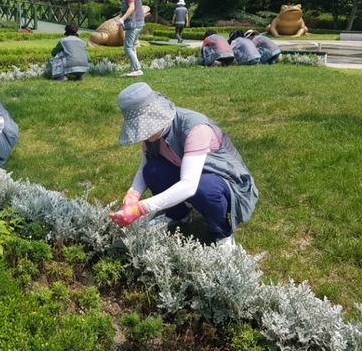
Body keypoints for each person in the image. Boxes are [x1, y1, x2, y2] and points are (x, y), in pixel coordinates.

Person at [109, 83, 259, 247]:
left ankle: (221, 233)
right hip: (189, 173)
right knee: (152, 170)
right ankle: (177, 215)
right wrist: (133, 194)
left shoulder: (195, 128)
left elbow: (189, 185)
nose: (141, 134)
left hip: (226, 181)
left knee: (204, 188)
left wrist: (142, 208)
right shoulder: (151, 133)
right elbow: (144, 168)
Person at [115, 0, 145, 77]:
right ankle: (133, 70)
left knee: (127, 47)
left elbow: (131, 7)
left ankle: (137, 68)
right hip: (139, 22)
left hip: (134, 23)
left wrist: (122, 19)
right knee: (132, 47)